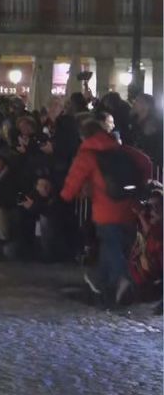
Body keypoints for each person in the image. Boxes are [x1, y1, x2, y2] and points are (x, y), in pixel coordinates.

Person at [60, 116, 153, 305]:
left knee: (111, 246)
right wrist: (141, 183)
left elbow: (73, 182)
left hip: (106, 211)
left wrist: (65, 196)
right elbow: (146, 162)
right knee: (121, 248)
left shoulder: (87, 155)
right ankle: (104, 284)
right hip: (129, 208)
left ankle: (122, 279)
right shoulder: (123, 150)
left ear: (84, 137)